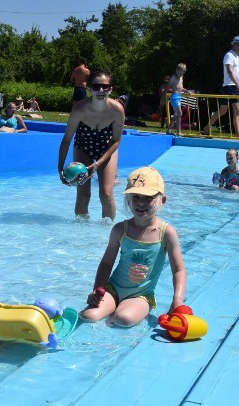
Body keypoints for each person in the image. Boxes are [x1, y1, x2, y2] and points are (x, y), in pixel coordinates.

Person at [79, 166, 186, 327]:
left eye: (148, 197)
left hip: (141, 296)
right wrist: (97, 290)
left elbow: (178, 269)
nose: (141, 202)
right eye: (135, 196)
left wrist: (177, 300)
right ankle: (113, 307)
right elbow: (107, 263)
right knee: (89, 316)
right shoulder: (120, 229)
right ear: (128, 200)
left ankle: (122, 310)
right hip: (113, 289)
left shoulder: (166, 233)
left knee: (124, 319)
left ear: (161, 200)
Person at [58, 68, 125, 220]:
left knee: (106, 194)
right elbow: (67, 139)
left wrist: (99, 163)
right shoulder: (79, 109)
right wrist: (60, 169)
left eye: (105, 86)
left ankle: (107, 233)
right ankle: (82, 234)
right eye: (96, 86)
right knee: (83, 195)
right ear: (89, 88)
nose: (101, 90)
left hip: (107, 149)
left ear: (110, 89)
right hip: (83, 148)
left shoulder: (117, 110)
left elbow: (116, 140)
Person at [203, 36, 239, 138]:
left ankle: (238, 133)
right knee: (223, 110)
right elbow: (229, 70)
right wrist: (237, 83)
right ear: (233, 45)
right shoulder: (229, 55)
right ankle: (207, 127)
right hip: (229, 86)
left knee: (237, 110)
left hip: (236, 87)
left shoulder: (237, 56)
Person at [166, 64, 190, 136]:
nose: (180, 74)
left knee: (178, 115)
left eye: (182, 73)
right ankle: (178, 132)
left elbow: (180, 88)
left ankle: (169, 130)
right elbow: (168, 85)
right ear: (176, 70)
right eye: (179, 72)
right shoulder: (173, 77)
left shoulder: (181, 77)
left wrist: (186, 91)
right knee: (180, 113)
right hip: (174, 97)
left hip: (179, 96)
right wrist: (165, 95)